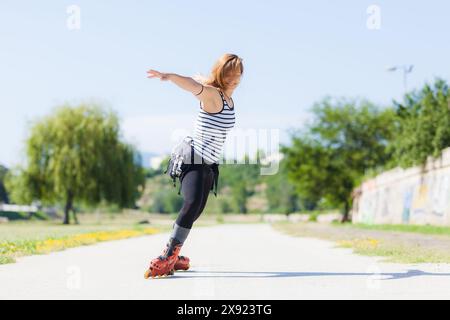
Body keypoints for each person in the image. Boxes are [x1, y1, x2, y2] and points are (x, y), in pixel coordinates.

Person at [144, 53, 244, 278]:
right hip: (194, 158)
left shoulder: (229, 100)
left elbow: (198, 81)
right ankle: (168, 255)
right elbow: (191, 85)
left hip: (209, 162)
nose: (233, 78)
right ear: (220, 73)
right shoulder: (213, 96)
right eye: (229, 74)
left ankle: (175, 255)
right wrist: (169, 76)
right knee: (190, 204)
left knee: (196, 209)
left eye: (237, 74)